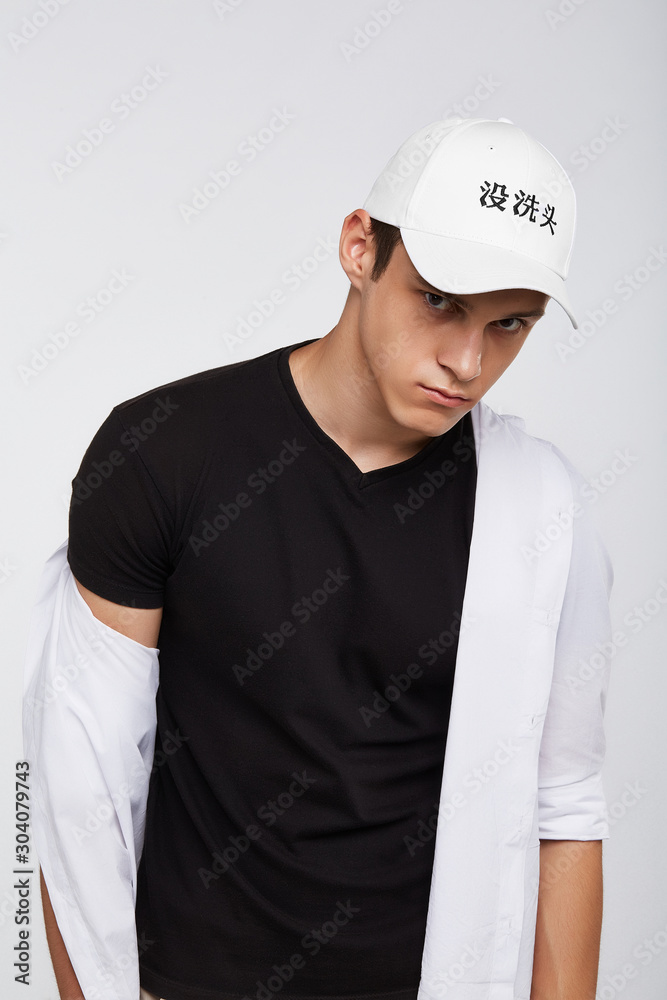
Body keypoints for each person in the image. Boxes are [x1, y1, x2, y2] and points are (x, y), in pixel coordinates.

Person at [24, 117, 613, 1000]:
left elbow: (565, 804)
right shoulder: (162, 453)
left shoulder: (540, 508)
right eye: (440, 300)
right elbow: (74, 791)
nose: (466, 361)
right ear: (358, 248)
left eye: (510, 325)